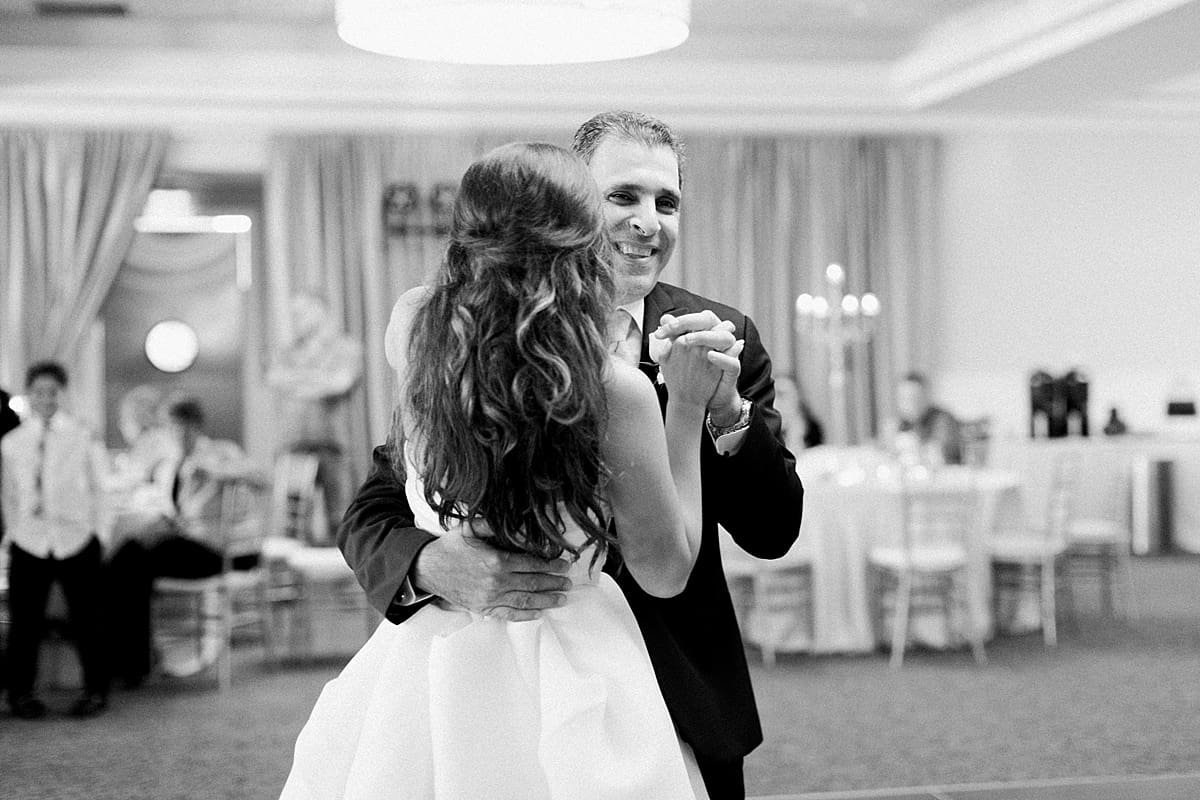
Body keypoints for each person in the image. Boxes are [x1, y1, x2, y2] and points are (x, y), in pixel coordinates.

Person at [337, 112, 805, 799]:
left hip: (681, 693)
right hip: (476, 673)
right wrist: (432, 564)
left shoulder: (723, 334)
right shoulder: (451, 334)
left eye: (666, 201)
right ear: (572, 205)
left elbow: (773, 531)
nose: (650, 222)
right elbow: (375, 508)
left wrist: (726, 412)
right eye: (623, 197)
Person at [105, 397, 261, 687]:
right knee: (128, 559)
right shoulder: (172, 465)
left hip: (226, 551)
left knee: (134, 559)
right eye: (171, 428)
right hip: (191, 546)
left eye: (182, 428)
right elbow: (176, 514)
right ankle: (130, 660)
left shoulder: (220, 452)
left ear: (196, 427)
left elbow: (260, 477)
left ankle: (133, 663)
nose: (177, 435)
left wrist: (217, 471)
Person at [1, 361, 109, 718]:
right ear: (29, 395)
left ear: (63, 394)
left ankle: (95, 690)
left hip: (75, 537)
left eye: (53, 392)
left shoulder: (82, 435)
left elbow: (101, 489)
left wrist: (99, 534)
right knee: (25, 621)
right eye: (38, 392)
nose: (46, 399)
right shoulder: (13, 443)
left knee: (87, 618)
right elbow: (9, 494)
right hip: (30, 539)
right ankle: (21, 693)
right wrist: (15, 532)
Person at [266, 292, 363, 543]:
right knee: (292, 523)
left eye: (302, 311)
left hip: (332, 442)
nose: (296, 318)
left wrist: (299, 381)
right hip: (294, 443)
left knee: (341, 519)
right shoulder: (287, 351)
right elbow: (276, 379)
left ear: (321, 311)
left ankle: (344, 579)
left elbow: (341, 383)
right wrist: (320, 379)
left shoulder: (346, 347)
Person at [891, 370, 963, 465]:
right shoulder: (899, 424)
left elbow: (940, 455)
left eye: (914, 398)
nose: (908, 404)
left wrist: (915, 446)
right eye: (903, 398)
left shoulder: (942, 420)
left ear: (926, 397)